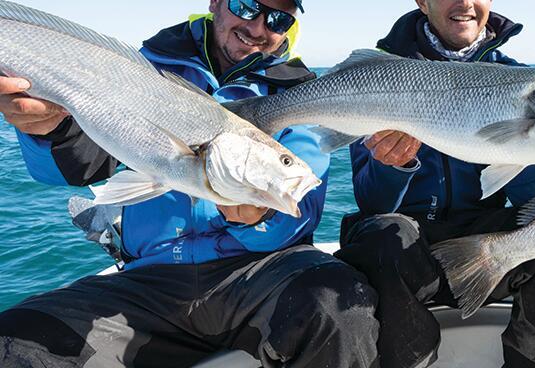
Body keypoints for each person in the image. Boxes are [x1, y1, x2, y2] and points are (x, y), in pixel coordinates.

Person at [0, 1, 379, 367]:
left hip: (263, 274)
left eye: (279, 20)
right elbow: (79, 170)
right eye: (246, 6)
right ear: (216, 2)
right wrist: (51, 129)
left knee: (338, 304)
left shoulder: (301, 93)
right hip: (149, 283)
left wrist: (256, 220)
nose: (258, 27)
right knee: (16, 340)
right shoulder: (143, 68)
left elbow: (301, 206)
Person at [332, 1, 535, 367]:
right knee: (382, 236)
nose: (464, 3)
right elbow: (371, 200)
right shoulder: (381, 77)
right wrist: (392, 167)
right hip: (406, 246)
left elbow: (529, 195)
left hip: (482, 244)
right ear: (423, 2)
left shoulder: (518, 77)